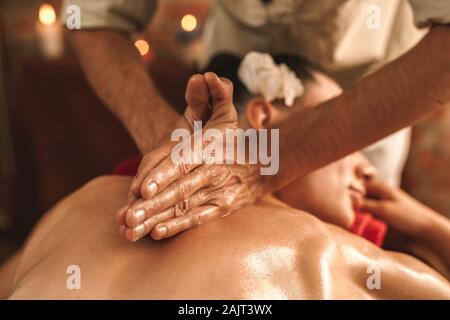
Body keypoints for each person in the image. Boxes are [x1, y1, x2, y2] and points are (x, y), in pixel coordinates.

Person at [2, 70, 450, 299]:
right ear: (264, 117)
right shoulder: (331, 255)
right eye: (339, 127)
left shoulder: (77, 206)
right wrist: (432, 227)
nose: (366, 167)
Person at [62, 1, 450, 239]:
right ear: (262, 116)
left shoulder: (356, 225)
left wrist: (266, 161)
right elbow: (91, 16)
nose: (367, 171)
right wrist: (173, 149)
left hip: (377, 100)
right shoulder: (141, 193)